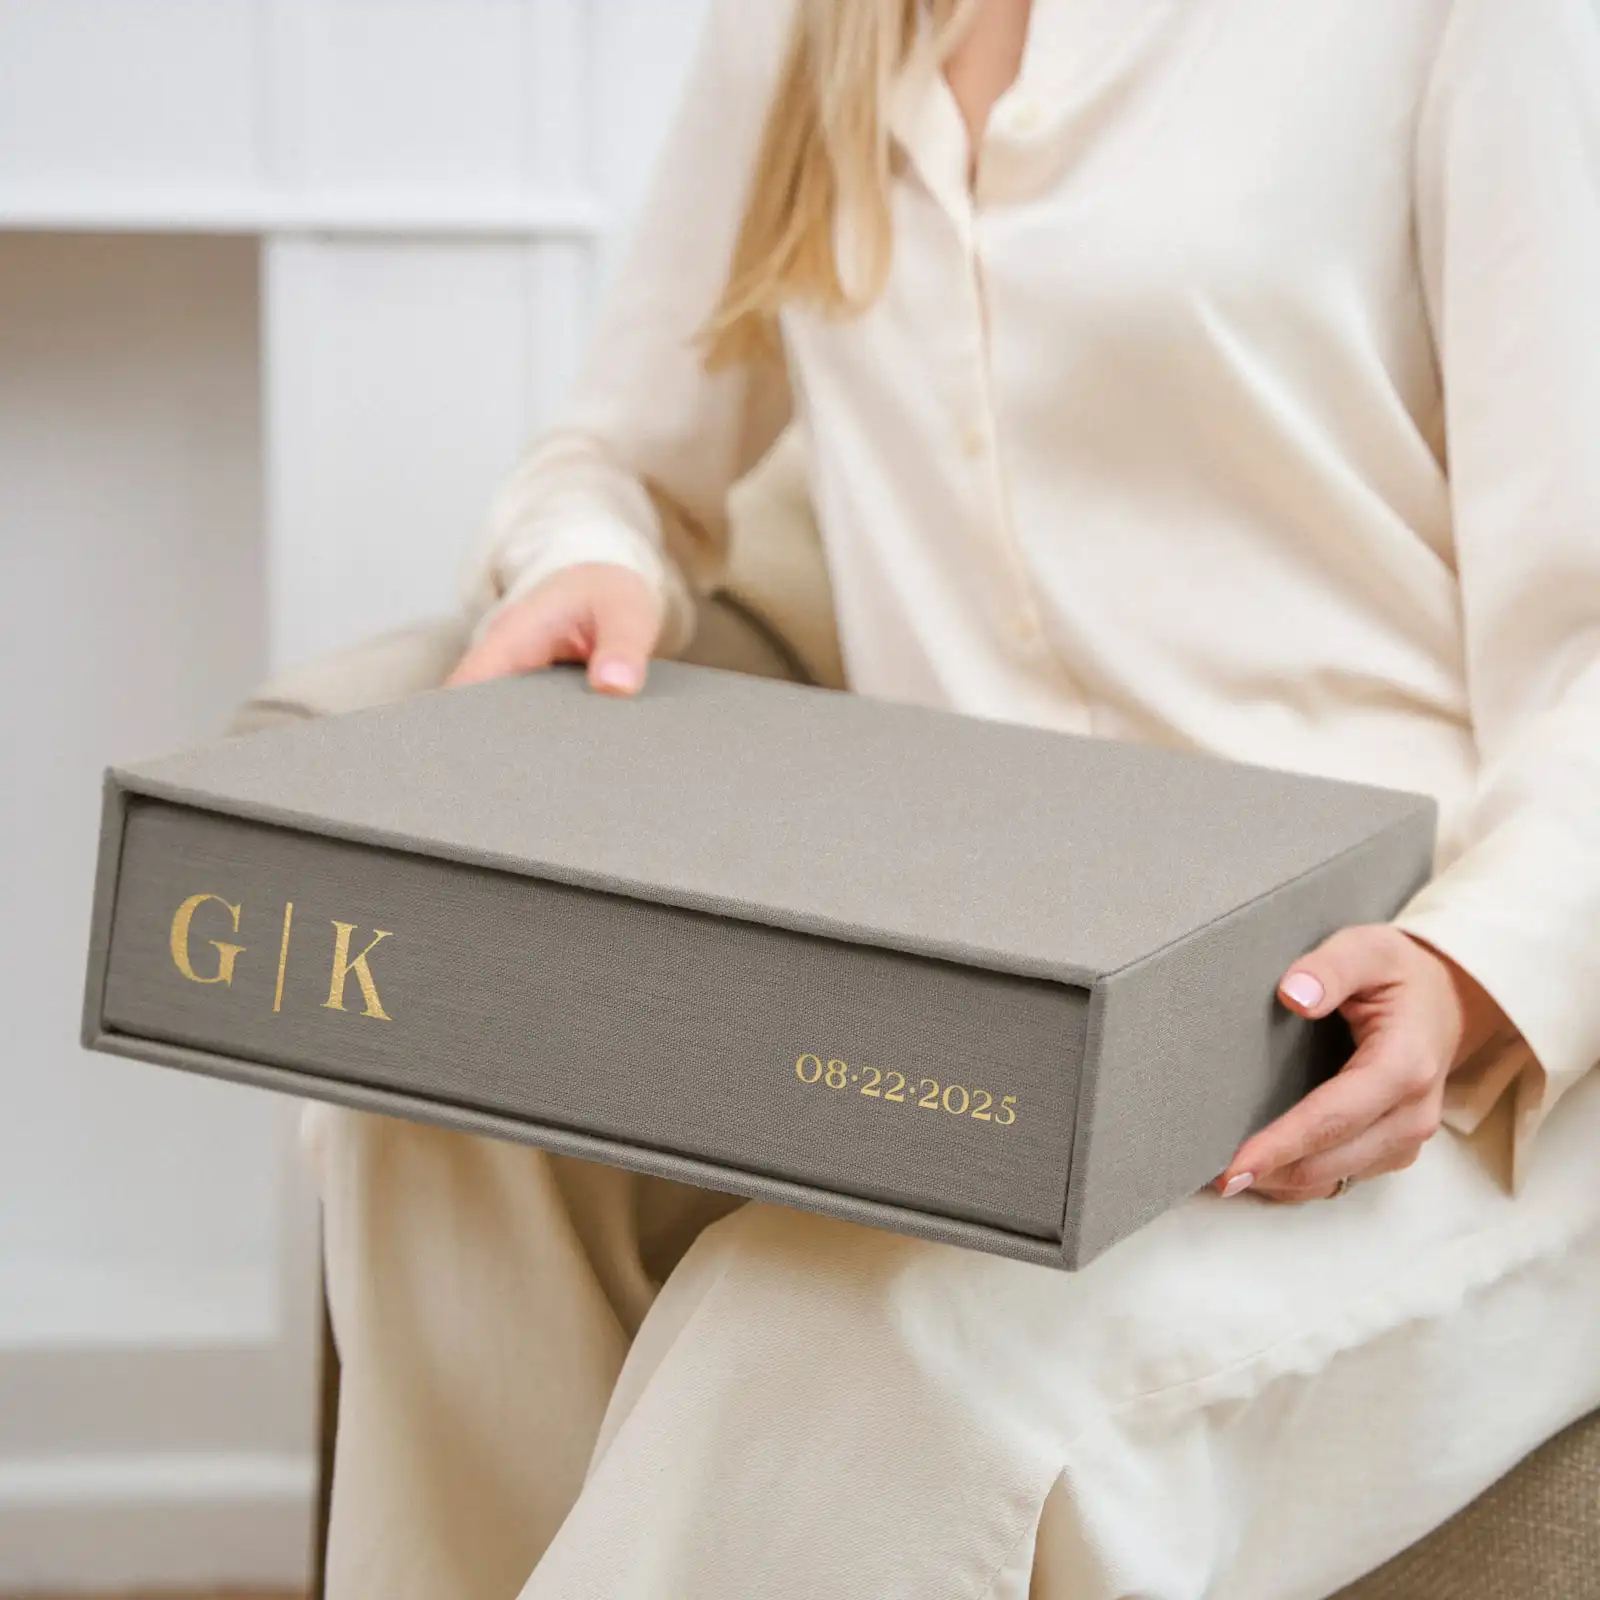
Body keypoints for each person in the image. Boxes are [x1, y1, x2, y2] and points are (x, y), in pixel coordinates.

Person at [307, 1, 1600, 1594]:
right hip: (1000, 1019)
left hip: (1415, 1045)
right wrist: (593, 558)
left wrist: (1473, 970)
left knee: (824, 1342)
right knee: (440, 1089)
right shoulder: (811, 24)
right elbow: (618, 456)